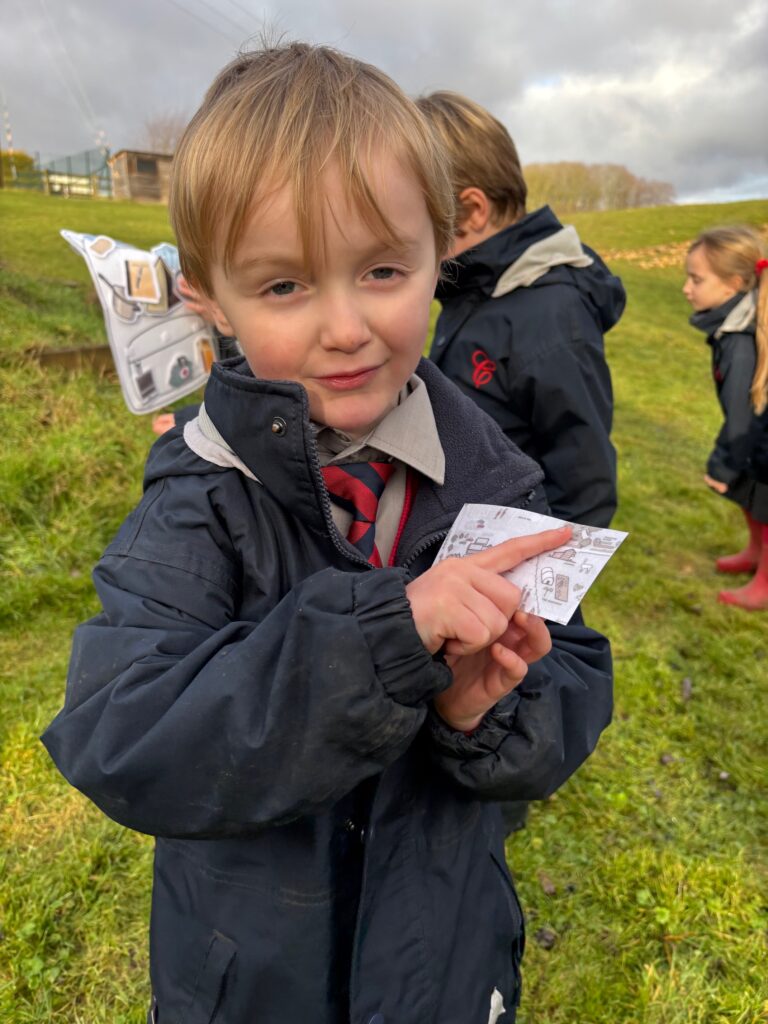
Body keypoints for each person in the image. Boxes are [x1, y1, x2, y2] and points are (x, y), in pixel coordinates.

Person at [41, 43, 613, 1024]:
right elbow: (119, 733)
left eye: (382, 269)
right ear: (208, 301)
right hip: (250, 981)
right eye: (284, 288)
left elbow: (575, 685)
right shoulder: (203, 489)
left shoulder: (499, 474)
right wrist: (386, 644)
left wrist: (487, 713)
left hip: (443, 962)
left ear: (441, 257)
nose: (345, 327)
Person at [417, 91, 625, 530]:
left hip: (514, 560)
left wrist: (538, 589)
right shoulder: (476, 287)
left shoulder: (552, 316)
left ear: (472, 211)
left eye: (418, 220)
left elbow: (584, 482)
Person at [684, 226, 768, 610]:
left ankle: (765, 581)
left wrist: (722, 465)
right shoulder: (734, 324)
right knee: (752, 498)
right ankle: (754, 554)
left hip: (758, 439)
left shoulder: (740, 341)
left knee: (765, 505)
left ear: (734, 283)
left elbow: (742, 416)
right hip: (757, 441)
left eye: (696, 279)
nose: (687, 288)